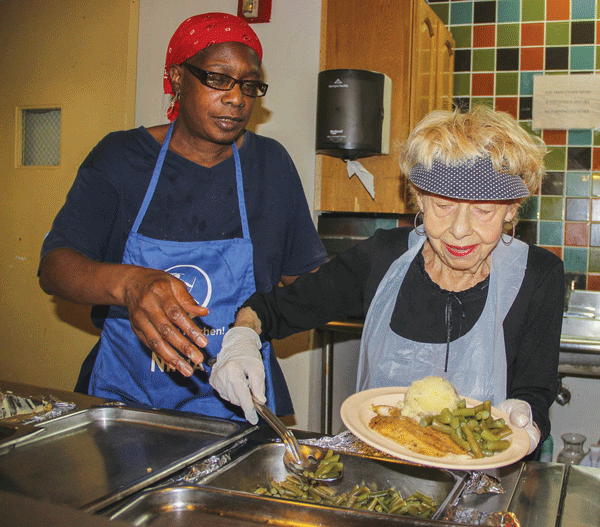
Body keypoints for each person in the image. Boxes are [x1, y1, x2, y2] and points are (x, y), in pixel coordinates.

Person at [209, 105, 564, 456]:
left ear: (512, 208)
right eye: (443, 206)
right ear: (420, 199)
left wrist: (525, 422)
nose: (459, 231)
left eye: (484, 211)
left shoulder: (538, 276)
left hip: (483, 483)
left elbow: (534, 391)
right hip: (379, 473)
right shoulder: (382, 258)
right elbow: (272, 310)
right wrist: (241, 339)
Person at [38, 12, 327, 423]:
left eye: (249, 84)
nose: (236, 98)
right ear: (176, 77)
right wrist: (130, 283)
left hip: (236, 403)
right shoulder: (121, 159)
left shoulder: (270, 166)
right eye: (218, 78)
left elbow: (306, 281)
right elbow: (55, 267)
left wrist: (376, 280)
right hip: (126, 400)